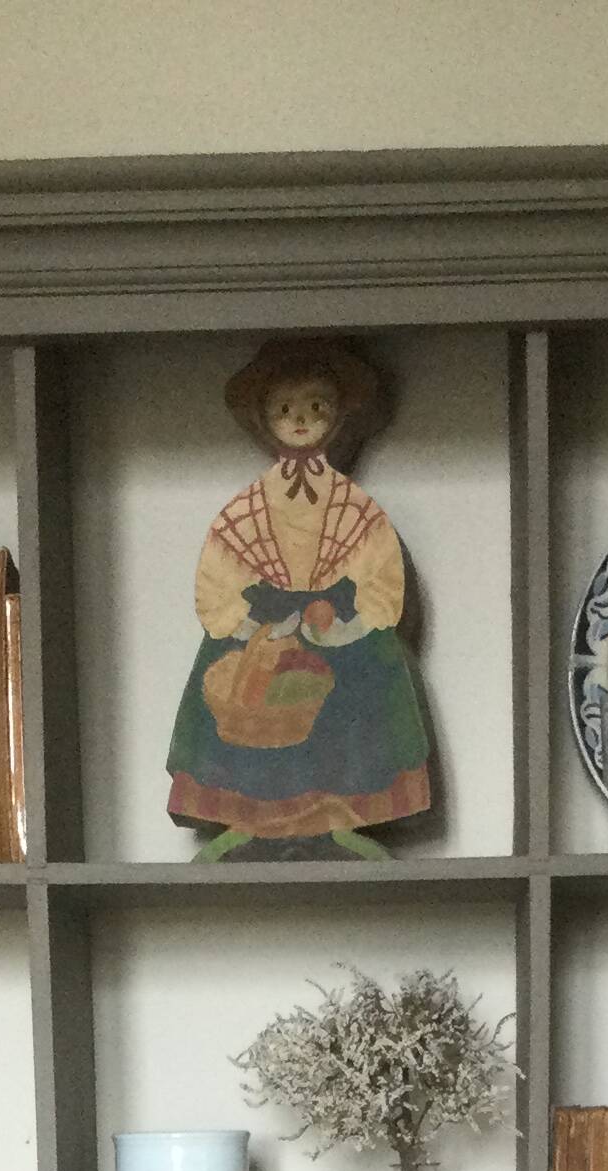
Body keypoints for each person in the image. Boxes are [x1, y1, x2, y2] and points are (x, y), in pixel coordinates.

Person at [166, 338, 433, 858]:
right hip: (264, 623)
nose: (301, 420)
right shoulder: (248, 505)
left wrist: (351, 624)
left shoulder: (355, 506)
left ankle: (339, 815)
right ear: (264, 420)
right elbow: (221, 574)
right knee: (245, 685)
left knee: (354, 694)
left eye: (317, 407)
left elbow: (380, 577)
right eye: (285, 409)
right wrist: (242, 623)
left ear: (339, 416)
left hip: (334, 618)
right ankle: (250, 816)